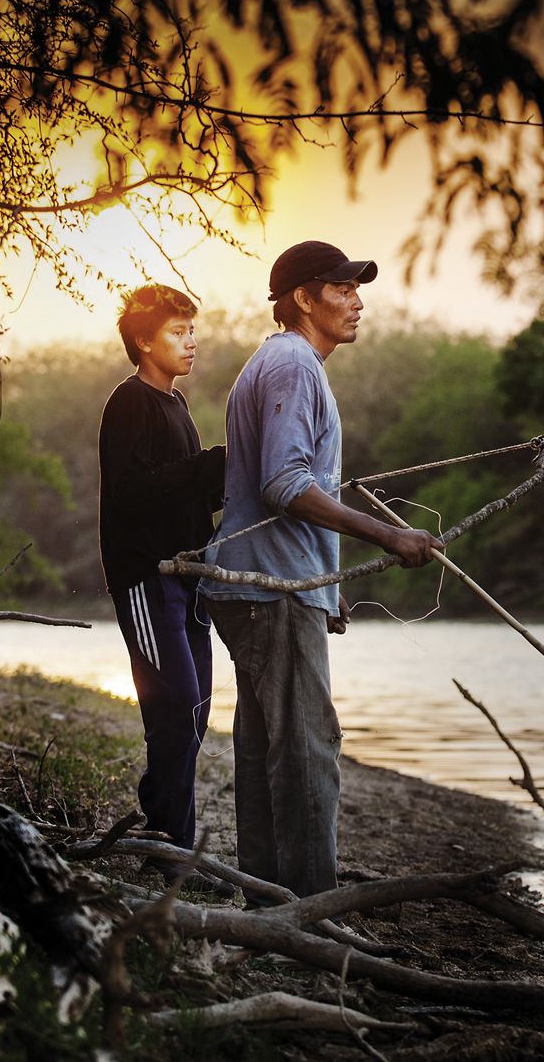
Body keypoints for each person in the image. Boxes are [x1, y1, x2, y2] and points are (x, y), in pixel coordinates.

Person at [201, 241, 443, 898]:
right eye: (342, 288)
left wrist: (329, 586)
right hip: (271, 586)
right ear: (304, 298)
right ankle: (312, 906)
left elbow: (286, 482)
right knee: (309, 749)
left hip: (264, 583)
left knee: (262, 749)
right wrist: (388, 534)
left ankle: (266, 896)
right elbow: (284, 483)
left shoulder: (287, 363)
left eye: (357, 289)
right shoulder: (291, 363)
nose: (357, 301)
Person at [98, 283, 230, 891]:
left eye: (191, 330)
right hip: (147, 579)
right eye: (177, 332)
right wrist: (211, 465)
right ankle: (169, 846)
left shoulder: (177, 406)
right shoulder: (129, 404)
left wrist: (231, 482)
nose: (191, 341)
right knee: (173, 706)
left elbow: (188, 491)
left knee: (195, 709)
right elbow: (131, 490)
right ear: (144, 341)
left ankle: (164, 833)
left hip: (190, 579)